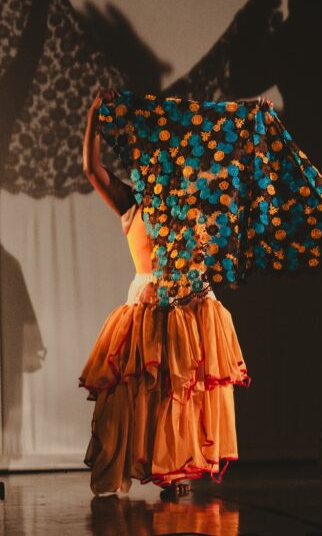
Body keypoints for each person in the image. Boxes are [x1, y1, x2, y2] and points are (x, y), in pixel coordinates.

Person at [78, 89, 251, 496]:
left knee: (181, 393)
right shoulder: (131, 202)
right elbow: (91, 168)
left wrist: (248, 121)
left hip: (192, 307)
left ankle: (174, 471)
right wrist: (95, 116)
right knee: (135, 395)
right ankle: (123, 469)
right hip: (149, 307)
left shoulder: (195, 204)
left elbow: (235, 173)